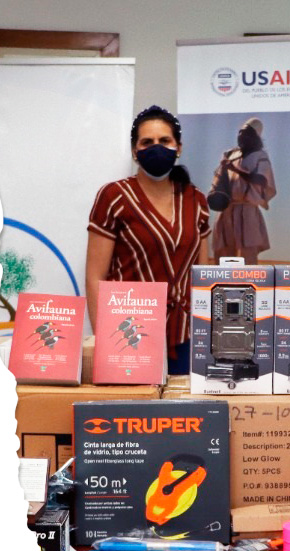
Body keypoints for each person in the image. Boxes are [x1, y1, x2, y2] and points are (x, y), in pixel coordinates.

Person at [86, 105, 211, 375]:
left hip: (185, 334)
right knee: (135, 403)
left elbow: (202, 275)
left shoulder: (197, 200)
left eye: (164, 141)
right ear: (135, 151)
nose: (156, 147)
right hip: (129, 334)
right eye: (147, 142)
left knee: (183, 403)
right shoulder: (114, 196)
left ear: (178, 147)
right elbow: (95, 276)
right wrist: (102, 340)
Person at [211, 117, 276, 264]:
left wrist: (235, 169)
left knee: (247, 257)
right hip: (226, 211)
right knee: (223, 256)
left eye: (246, 133)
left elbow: (261, 179)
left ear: (255, 137)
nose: (241, 136)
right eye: (240, 133)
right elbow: (218, 180)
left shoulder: (260, 156)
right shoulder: (230, 155)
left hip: (247, 212)